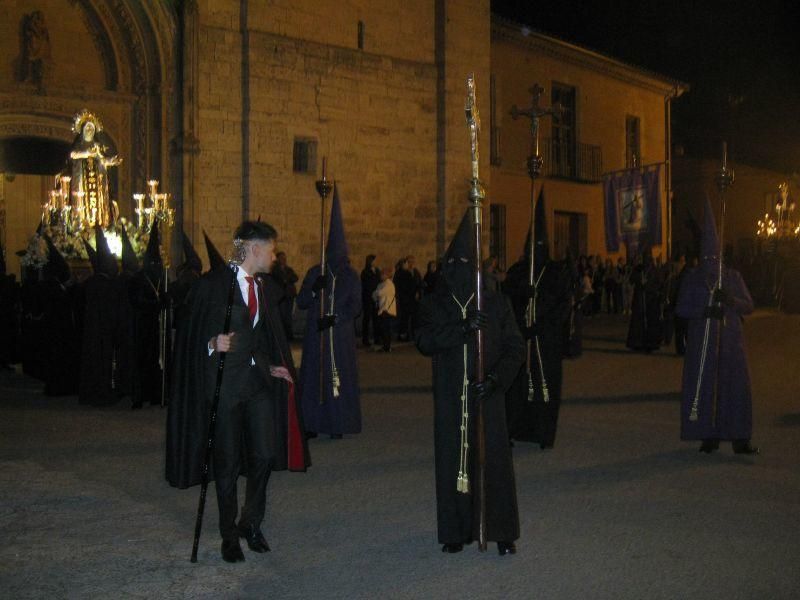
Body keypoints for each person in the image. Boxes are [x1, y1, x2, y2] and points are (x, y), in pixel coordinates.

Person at [166, 220, 310, 563]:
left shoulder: (263, 287)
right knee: (227, 464)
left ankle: (250, 521)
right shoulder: (212, 286)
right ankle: (228, 534)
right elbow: (189, 333)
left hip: (257, 384)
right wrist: (212, 342)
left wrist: (270, 365)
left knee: (263, 454)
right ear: (254, 249)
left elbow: (260, 337)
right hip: (225, 387)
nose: (274, 256)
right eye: (271, 249)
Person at [415, 210, 525, 556]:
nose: (461, 268)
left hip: (486, 395)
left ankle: (501, 531)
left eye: (468, 262)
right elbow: (424, 340)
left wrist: (496, 381)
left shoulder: (496, 302)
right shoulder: (435, 304)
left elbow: (514, 348)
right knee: (452, 462)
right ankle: (455, 531)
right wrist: (461, 329)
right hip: (450, 397)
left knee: (494, 462)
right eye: (456, 262)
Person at [677, 198, 758, 455]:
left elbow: (749, 305)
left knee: (734, 388)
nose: (712, 262)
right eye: (707, 257)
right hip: (703, 344)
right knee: (706, 388)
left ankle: (739, 437)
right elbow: (680, 308)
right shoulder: (693, 279)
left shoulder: (732, 277)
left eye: (716, 257)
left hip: (731, 343)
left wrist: (730, 300)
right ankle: (708, 434)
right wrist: (703, 311)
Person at [503, 192, 572, 448]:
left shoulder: (557, 273)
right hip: (521, 338)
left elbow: (563, 305)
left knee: (544, 388)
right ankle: (514, 428)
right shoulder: (518, 272)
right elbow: (505, 301)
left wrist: (540, 326)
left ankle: (543, 433)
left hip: (546, 341)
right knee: (517, 387)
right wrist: (523, 296)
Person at [297, 186, 362, 439]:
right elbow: (302, 301)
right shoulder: (316, 272)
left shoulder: (351, 276)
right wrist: (315, 289)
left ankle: (338, 422)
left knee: (338, 378)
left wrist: (335, 319)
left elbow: (355, 306)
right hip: (316, 336)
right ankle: (312, 421)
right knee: (314, 376)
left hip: (339, 337)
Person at [79, 226, 120, 406]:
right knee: (102, 363)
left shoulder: (90, 283)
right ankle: (102, 393)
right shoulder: (108, 285)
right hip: (103, 332)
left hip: (91, 332)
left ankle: (91, 392)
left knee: (92, 361)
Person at [626, 248, 665, 352]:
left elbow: (659, 284)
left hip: (651, 300)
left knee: (651, 322)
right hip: (639, 299)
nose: (646, 259)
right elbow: (631, 280)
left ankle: (651, 344)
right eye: (645, 257)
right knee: (638, 322)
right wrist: (639, 279)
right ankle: (637, 343)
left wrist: (648, 287)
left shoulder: (655, 270)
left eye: (648, 257)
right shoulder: (639, 269)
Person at [270, 251, 299, 341]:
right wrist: (285, 280)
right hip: (281, 297)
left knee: (288, 316)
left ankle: (289, 336)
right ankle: (282, 336)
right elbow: (279, 279)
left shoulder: (288, 269)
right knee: (282, 316)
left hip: (289, 296)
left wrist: (286, 279)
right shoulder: (274, 270)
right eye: (282, 258)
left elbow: (295, 277)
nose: (284, 260)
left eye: (285, 258)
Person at [372, 265, 396, 352]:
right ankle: (385, 345)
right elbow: (374, 295)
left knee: (386, 329)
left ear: (386, 275)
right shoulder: (381, 284)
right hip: (382, 309)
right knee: (383, 329)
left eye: (383, 274)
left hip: (387, 309)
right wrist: (376, 294)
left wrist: (376, 293)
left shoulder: (389, 284)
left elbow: (379, 293)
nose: (381, 276)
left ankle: (387, 346)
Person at [360, 254, 381, 347]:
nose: (375, 262)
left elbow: (379, 282)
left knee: (376, 318)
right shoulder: (365, 272)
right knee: (367, 319)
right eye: (374, 260)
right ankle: (365, 339)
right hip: (368, 298)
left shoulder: (377, 271)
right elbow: (366, 285)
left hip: (375, 298)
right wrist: (372, 293)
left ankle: (377, 338)